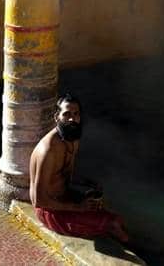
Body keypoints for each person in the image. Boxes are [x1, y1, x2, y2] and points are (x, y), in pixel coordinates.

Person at [29, 93, 129, 242]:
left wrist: (88, 184)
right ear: (57, 117)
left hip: (65, 198)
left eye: (76, 114)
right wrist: (78, 208)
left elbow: (64, 174)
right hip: (50, 210)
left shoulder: (73, 138)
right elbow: (39, 200)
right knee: (113, 225)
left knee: (117, 218)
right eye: (67, 114)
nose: (72, 119)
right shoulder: (48, 150)